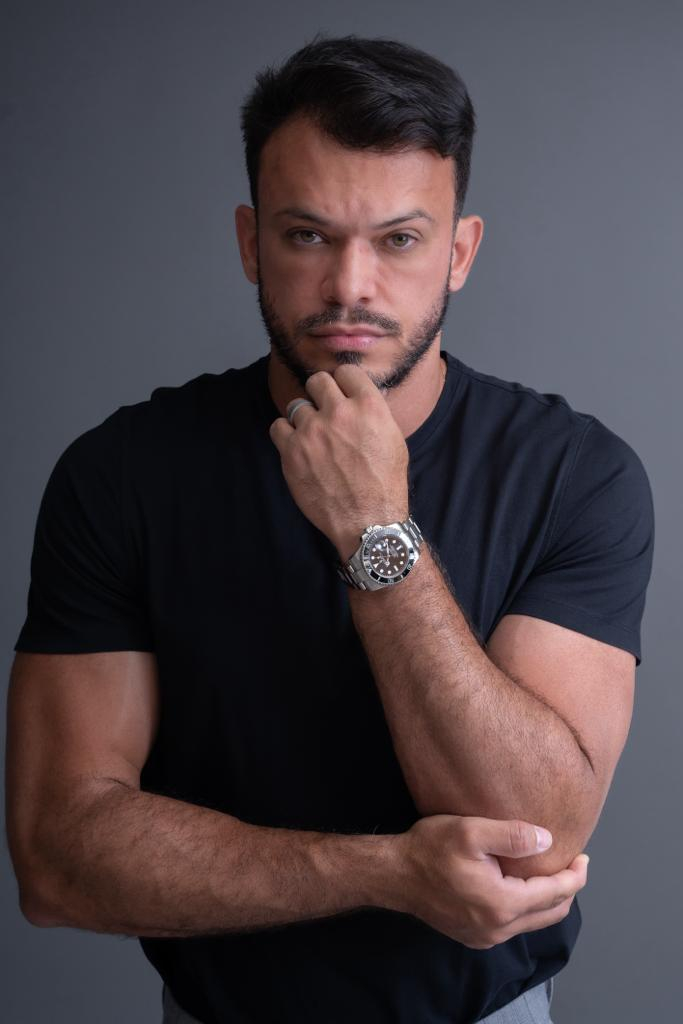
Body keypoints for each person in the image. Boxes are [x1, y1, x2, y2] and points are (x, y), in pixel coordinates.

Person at [6, 34, 654, 1024]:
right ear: (249, 241)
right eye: (307, 235)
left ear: (458, 252)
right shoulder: (121, 475)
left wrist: (373, 528)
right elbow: (57, 858)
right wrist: (386, 872)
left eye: (398, 240)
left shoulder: (575, 475)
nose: (350, 286)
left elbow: (534, 837)